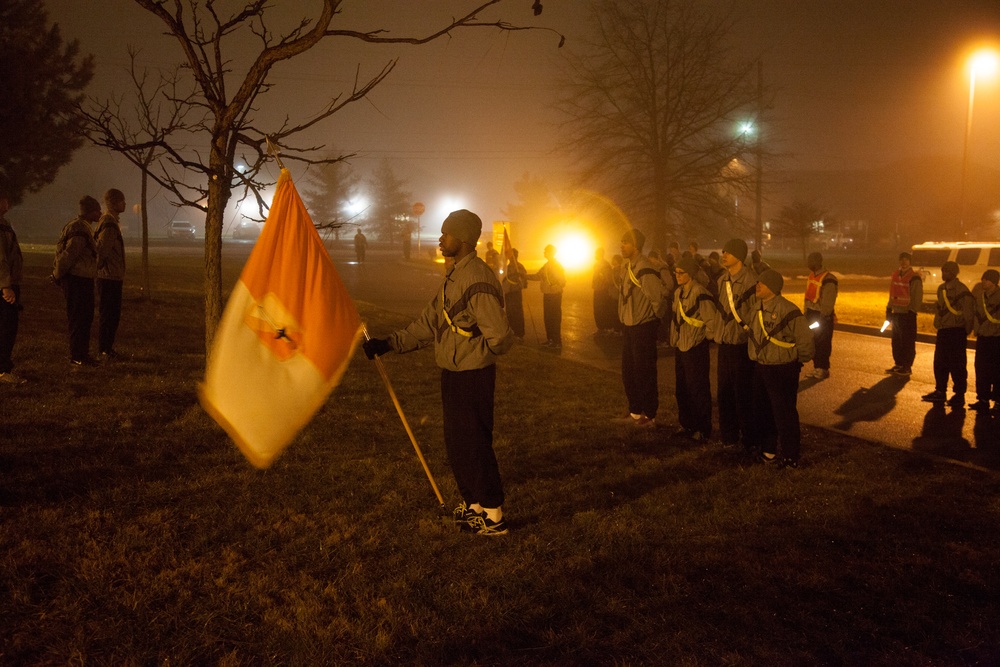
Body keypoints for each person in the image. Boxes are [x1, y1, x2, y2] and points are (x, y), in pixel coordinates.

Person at [362, 209, 514, 536]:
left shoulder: (477, 278)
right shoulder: (455, 275)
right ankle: (474, 505)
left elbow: (500, 336)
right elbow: (429, 323)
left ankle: (494, 514)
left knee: (474, 443)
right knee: (458, 442)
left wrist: (476, 349)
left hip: (472, 374)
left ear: (463, 239)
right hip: (453, 371)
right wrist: (388, 344)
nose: (440, 239)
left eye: (446, 234)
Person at [747, 269, 814, 468]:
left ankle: (790, 456)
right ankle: (768, 452)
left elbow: (806, 341)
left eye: (762, 283)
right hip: (761, 367)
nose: (757, 286)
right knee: (763, 412)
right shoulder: (755, 308)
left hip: (782, 369)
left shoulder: (788, 310)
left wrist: (794, 361)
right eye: (758, 282)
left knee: (784, 415)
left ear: (774, 288)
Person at [617, 228, 664, 427]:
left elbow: (657, 299)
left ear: (636, 246)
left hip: (642, 326)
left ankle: (650, 413)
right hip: (629, 324)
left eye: (626, 242)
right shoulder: (626, 266)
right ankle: (635, 410)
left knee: (644, 371)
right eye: (621, 241)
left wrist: (652, 322)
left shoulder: (645, 268)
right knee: (629, 370)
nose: (622, 246)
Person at [715, 238, 757, 450]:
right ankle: (728, 436)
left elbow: (754, 312)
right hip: (724, 343)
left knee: (743, 394)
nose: (723, 255)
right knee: (724, 392)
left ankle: (749, 438)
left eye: (728, 252)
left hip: (741, 345)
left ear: (739, 256)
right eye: (723, 251)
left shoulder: (751, 281)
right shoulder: (722, 280)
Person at [671, 256, 718, 442]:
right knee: (681, 388)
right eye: (676, 272)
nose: (677, 276)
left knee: (697, 389)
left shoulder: (700, 293)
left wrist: (703, 339)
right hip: (681, 346)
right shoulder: (678, 293)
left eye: (681, 273)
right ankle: (686, 424)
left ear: (690, 274)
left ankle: (703, 428)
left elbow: (711, 321)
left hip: (695, 346)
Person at [53, 195, 100, 366]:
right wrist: (57, 274)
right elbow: (69, 254)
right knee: (78, 317)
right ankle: (77, 356)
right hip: (77, 279)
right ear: (90, 212)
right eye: (97, 210)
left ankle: (82, 354)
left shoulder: (82, 226)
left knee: (84, 317)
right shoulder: (79, 228)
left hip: (82, 278)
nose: (100, 213)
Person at [921, 261, 973, 407]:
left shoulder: (962, 291)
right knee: (940, 363)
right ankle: (940, 391)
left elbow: (968, 314)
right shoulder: (941, 289)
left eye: (947, 272)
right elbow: (940, 308)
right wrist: (937, 323)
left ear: (954, 273)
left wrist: (966, 330)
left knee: (957, 365)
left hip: (956, 331)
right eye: (943, 271)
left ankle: (959, 394)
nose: (944, 274)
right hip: (943, 331)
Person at [95, 188, 126, 360]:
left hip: (112, 275)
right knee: (109, 314)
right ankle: (105, 349)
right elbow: (102, 250)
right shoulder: (108, 223)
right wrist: (98, 269)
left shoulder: (110, 221)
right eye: (122, 201)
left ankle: (107, 347)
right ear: (113, 203)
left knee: (112, 313)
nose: (125, 204)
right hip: (108, 277)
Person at [0, 188, 25, 383]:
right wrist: (6, 285)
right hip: (4, 286)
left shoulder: (4, 224)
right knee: (6, 327)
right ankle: (3, 370)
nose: (8, 203)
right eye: (5, 199)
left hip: (7, 282)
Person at [885, 251, 923, 376]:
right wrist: (889, 309)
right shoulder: (896, 275)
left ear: (910, 262)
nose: (904, 262)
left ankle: (907, 366)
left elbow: (917, 296)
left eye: (906, 259)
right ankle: (899, 363)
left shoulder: (914, 277)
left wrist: (912, 311)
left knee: (907, 341)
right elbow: (892, 293)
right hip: (897, 312)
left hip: (907, 313)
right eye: (902, 259)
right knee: (896, 341)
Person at [803, 251, 838, 379]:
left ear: (817, 262)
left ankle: (823, 368)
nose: (808, 263)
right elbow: (808, 296)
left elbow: (828, 300)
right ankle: (817, 367)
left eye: (810, 260)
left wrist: (824, 317)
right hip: (812, 314)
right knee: (814, 342)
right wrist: (805, 313)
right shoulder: (812, 276)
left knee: (823, 343)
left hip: (822, 316)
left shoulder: (829, 279)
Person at [970, 269, 1000, 412]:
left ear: (994, 282)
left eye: (986, 280)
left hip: (996, 339)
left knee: (997, 371)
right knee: (981, 370)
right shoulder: (980, 296)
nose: (983, 282)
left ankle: (998, 402)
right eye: (983, 279)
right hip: (983, 338)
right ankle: (983, 399)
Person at [527, 244, 566, 348]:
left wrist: (554, 286)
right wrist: (524, 276)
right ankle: (550, 340)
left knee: (554, 318)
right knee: (548, 318)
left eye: (545, 251)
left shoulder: (556, 265)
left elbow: (562, 281)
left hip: (554, 295)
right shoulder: (547, 265)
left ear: (550, 252)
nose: (544, 252)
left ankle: (557, 341)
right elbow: (538, 276)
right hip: (548, 294)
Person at [591, 247, 618, 335]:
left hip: (602, 290)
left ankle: (605, 328)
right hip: (597, 289)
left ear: (600, 254)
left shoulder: (605, 265)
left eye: (596, 254)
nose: (595, 255)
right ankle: (601, 328)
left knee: (602, 309)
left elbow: (609, 279)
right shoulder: (597, 264)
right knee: (597, 309)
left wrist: (603, 280)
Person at [503, 247, 528, 339]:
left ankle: (519, 332)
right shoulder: (507, 267)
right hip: (508, 292)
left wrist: (521, 281)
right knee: (510, 313)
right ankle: (512, 331)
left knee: (517, 313)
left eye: (511, 255)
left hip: (515, 293)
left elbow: (524, 279)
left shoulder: (519, 267)